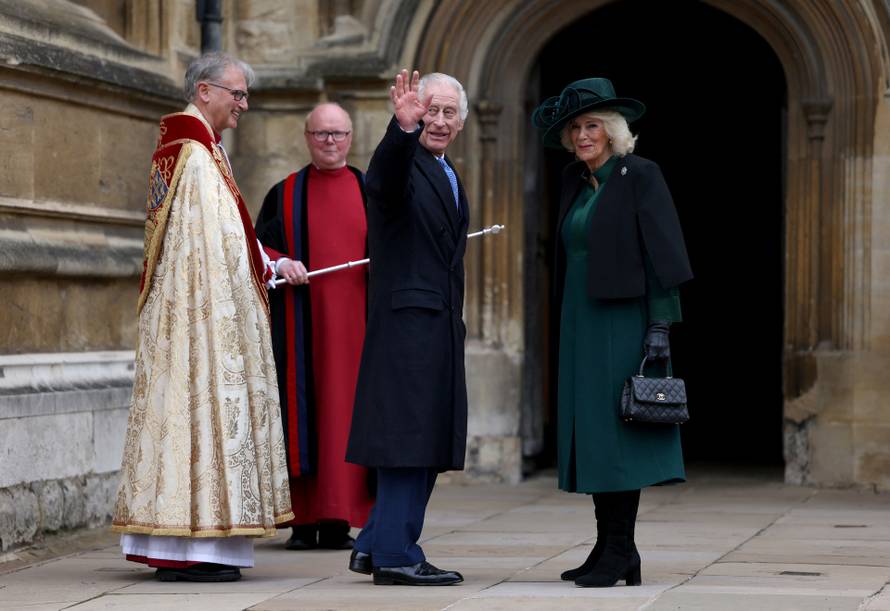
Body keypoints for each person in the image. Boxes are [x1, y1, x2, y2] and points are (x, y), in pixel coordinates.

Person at [112, 53, 293, 582]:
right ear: (205, 91)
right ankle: (192, 550)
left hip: (203, 314)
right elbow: (202, 250)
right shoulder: (191, 153)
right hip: (201, 321)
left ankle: (191, 548)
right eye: (237, 94)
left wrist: (268, 262)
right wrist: (251, 281)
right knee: (199, 412)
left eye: (246, 95)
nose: (244, 105)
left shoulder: (203, 149)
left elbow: (229, 235)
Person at [531, 78, 693, 588]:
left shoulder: (640, 175)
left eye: (592, 125)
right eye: (576, 127)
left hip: (624, 321)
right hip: (580, 320)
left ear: (614, 131)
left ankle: (620, 549)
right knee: (595, 436)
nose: (582, 135)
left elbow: (662, 254)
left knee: (620, 437)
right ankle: (611, 547)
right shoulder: (576, 182)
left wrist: (660, 325)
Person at [344, 69, 469, 586]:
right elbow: (383, 182)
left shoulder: (445, 168)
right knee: (408, 440)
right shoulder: (406, 161)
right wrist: (399, 130)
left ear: (462, 121)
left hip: (436, 325)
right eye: (430, 111)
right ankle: (397, 554)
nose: (437, 122)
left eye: (448, 113)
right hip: (408, 327)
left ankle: (374, 543)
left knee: (426, 436)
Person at [254, 103, 373, 552]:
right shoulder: (284, 194)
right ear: (307, 137)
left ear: (351, 137)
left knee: (348, 417)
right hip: (300, 330)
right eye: (321, 134)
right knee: (302, 414)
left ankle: (340, 520)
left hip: (358, 331)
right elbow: (257, 247)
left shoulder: (371, 190)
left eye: (338, 133)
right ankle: (302, 521)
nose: (330, 141)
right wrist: (282, 261)